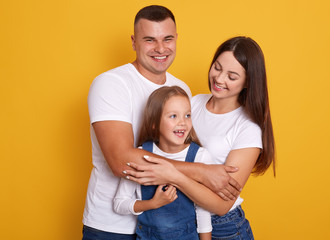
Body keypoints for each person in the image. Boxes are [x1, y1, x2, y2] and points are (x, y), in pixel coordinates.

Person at [82, 5, 240, 240]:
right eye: (149, 40)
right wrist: (202, 172)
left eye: (167, 39)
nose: (160, 48)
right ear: (134, 42)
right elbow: (120, 161)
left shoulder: (181, 89)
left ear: (176, 39)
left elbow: (186, 148)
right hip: (113, 226)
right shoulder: (111, 84)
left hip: (169, 228)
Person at [125, 36, 275, 240]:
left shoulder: (247, 129)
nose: (219, 79)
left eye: (232, 76)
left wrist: (173, 175)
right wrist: (199, 173)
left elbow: (222, 205)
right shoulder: (193, 103)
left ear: (248, 81)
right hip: (179, 221)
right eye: (217, 67)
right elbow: (159, 149)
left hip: (222, 229)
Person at [113, 86, 212, 240]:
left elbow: (203, 210)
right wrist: (153, 203)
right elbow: (120, 204)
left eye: (187, 115)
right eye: (173, 116)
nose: (182, 122)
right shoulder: (140, 156)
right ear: (154, 123)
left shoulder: (199, 156)